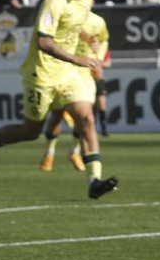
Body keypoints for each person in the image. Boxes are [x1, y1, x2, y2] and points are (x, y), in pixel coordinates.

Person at [0, 0, 117, 199]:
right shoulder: (55, 1)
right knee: (30, 132)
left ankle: (94, 181)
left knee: (86, 118)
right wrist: (77, 58)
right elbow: (43, 42)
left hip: (68, 75)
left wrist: (84, 40)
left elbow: (71, 24)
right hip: (42, 74)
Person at [40, 12, 110, 172]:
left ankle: (75, 151)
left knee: (84, 117)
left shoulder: (98, 21)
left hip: (84, 75)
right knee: (57, 115)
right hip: (62, 72)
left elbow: (103, 40)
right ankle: (49, 151)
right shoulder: (65, 16)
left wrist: (97, 59)